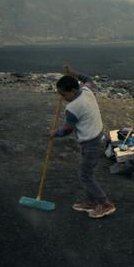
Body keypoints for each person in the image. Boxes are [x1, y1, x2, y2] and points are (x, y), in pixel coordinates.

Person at [51, 65, 116, 218]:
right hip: (98, 138)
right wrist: (73, 73)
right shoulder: (87, 91)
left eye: (63, 94)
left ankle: (104, 203)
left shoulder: (73, 107)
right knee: (87, 172)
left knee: (85, 175)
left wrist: (54, 133)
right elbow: (88, 79)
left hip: (91, 144)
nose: (62, 97)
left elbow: (67, 129)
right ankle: (91, 201)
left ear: (73, 91)